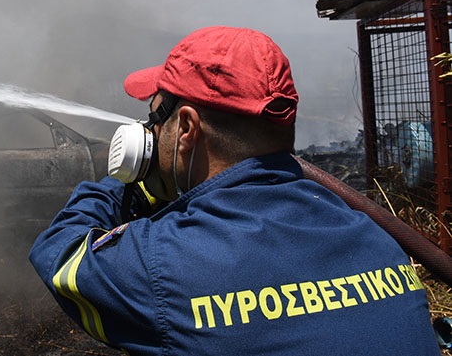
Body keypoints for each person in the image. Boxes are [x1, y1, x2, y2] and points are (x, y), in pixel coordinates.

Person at [29, 26, 439, 355]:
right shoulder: (375, 238)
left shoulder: (165, 263)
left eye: (155, 118)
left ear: (186, 128)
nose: (149, 131)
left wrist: (121, 182)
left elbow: (59, 252)